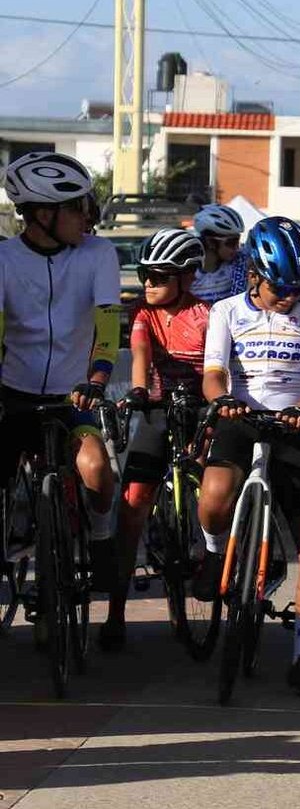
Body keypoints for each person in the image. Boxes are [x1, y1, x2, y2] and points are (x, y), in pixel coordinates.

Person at [197, 217, 300, 698]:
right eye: (281, 287)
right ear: (255, 273)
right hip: (239, 418)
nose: (289, 296)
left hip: (294, 426)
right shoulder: (227, 312)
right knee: (213, 496)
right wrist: (222, 402)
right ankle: (216, 557)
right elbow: (213, 374)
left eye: (298, 287)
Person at [0, 152, 122, 626]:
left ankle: (100, 541)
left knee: (96, 469)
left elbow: (107, 327)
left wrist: (96, 381)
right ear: (42, 214)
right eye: (77, 207)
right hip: (16, 391)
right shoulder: (5, 260)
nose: (87, 216)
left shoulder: (99, 254)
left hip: (76, 396)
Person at [104, 229, 209, 651]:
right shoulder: (143, 315)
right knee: (131, 508)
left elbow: (217, 369)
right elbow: (141, 355)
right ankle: (114, 612)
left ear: (186, 278)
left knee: (215, 491)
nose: (148, 283)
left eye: (159, 276)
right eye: (145, 274)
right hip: (157, 409)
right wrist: (138, 391)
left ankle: (210, 554)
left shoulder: (209, 314)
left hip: (202, 410)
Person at [190, 203, 248, 304]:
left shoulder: (239, 263)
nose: (236, 248)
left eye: (237, 241)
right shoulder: (188, 271)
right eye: (231, 242)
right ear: (211, 242)